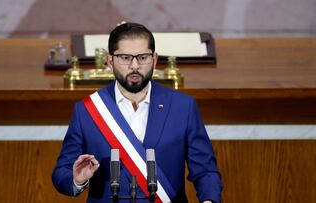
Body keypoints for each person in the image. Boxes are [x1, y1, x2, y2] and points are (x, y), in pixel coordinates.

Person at [52, 22, 222, 203]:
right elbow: (61, 173)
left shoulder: (183, 106)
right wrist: (77, 179)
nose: (134, 66)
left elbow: (206, 170)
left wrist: (209, 200)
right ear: (110, 61)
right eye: (125, 57)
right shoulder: (87, 110)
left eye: (142, 57)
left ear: (155, 59)